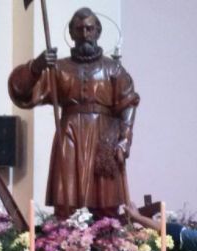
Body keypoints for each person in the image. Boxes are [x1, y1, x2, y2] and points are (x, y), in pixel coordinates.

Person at [9, 7, 140, 219]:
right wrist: (36, 67)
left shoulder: (113, 69)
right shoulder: (58, 69)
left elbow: (128, 104)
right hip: (70, 135)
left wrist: (124, 141)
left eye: (89, 29)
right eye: (79, 30)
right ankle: (65, 238)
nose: (85, 35)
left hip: (103, 137)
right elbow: (21, 92)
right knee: (66, 197)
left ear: (98, 32)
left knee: (105, 201)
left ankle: (108, 241)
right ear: (71, 34)